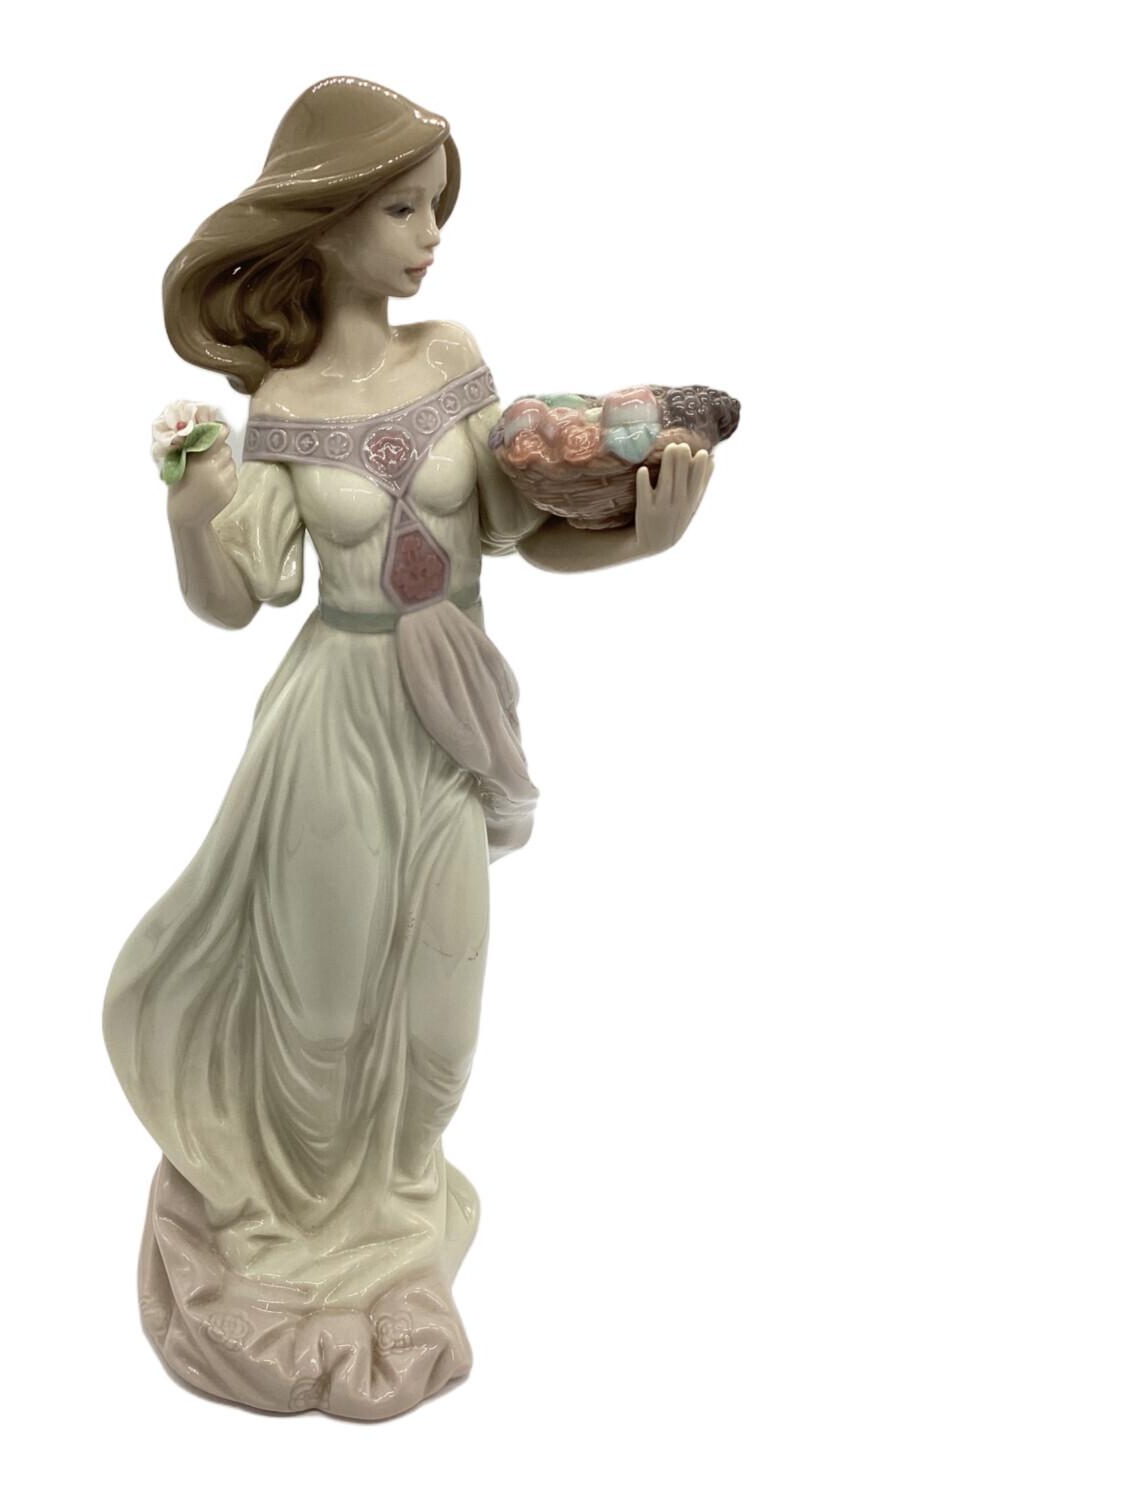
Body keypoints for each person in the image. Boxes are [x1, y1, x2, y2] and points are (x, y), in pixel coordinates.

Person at [103, 76, 713, 1421]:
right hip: (336, 721)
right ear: (326, 221)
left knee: (442, 1013)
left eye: (437, 207)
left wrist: (642, 538)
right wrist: (193, 506)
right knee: (321, 1012)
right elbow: (236, 599)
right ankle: (297, 1232)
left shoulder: (452, 358)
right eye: (400, 208)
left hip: (450, 719)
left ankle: (392, 1218)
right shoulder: (278, 403)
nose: (431, 235)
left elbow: (521, 535)